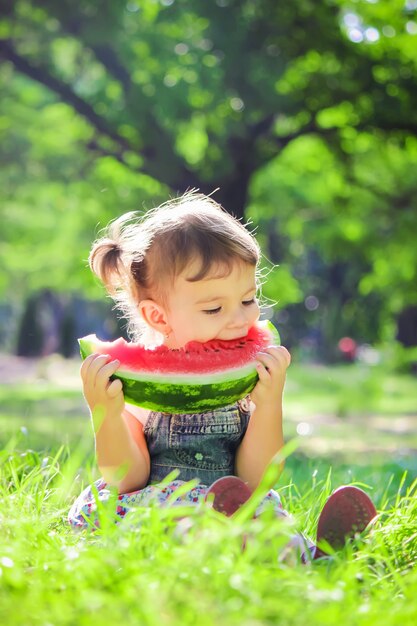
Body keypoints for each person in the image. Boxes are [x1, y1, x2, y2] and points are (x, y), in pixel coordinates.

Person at [68, 191, 376, 559]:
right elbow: (126, 477)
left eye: (248, 299)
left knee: (264, 523)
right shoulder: (137, 388)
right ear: (158, 317)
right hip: (167, 510)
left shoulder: (244, 381)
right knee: (189, 532)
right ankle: (276, 551)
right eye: (214, 308)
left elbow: (256, 478)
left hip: (238, 501)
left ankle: (324, 555)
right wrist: (106, 411)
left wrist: (267, 405)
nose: (241, 319)